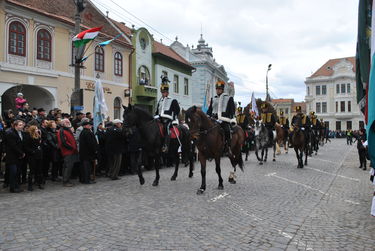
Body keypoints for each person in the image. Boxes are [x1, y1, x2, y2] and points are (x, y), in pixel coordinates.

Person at [207, 80, 236, 156]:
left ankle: (228, 147)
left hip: (224, 119)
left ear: (222, 90)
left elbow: (232, 110)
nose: (218, 90)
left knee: (227, 130)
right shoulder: (213, 98)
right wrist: (207, 115)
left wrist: (232, 117)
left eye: (219, 89)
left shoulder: (229, 98)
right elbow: (210, 109)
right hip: (213, 119)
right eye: (217, 89)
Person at [155, 76, 181, 153]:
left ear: (167, 92)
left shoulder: (173, 100)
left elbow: (177, 110)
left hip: (168, 119)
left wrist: (173, 118)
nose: (163, 94)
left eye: (164, 92)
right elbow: (157, 111)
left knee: (166, 128)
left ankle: (165, 145)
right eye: (162, 92)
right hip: (159, 119)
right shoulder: (160, 101)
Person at [4, 120, 26, 193]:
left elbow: (21, 144)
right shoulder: (10, 133)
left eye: (22, 125)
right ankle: (12, 188)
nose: (22, 126)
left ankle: (17, 186)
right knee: (13, 172)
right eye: (20, 125)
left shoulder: (21, 132)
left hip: (19, 156)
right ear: (15, 125)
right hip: (12, 156)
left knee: (17, 172)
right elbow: (13, 146)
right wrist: (21, 153)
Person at [57, 119, 78, 187]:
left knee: (68, 166)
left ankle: (67, 179)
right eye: (66, 122)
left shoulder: (67, 129)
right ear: (63, 124)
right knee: (67, 166)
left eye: (69, 122)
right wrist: (72, 147)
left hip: (71, 151)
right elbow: (64, 142)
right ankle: (65, 181)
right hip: (67, 151)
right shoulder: (61, 131)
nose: (68, 123)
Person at [24, 125, 44, 191]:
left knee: (39, 170)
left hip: (39, 155)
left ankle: (39, 183)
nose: (37, 130)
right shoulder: (29, 137)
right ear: (32, 130)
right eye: (35, 129)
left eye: (37, 129)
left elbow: (40, 145)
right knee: (32, 171)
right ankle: (30, 185)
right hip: (32, 156)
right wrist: (33, 151)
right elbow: (26, 147)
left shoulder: (38, 136)